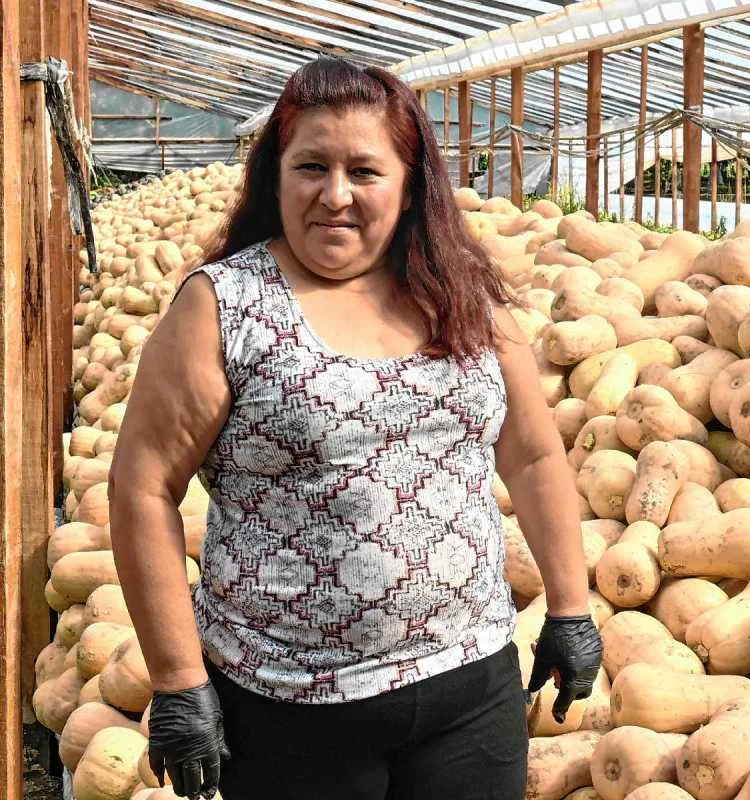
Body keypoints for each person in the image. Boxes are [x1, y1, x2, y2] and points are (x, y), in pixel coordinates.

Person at [108, 56, 602, 800]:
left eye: (364, 171)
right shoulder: (225, 306)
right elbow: (143, 486)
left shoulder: (460, 295)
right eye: (311, 166)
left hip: (469, 688)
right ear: (276, 177)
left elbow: (531, 457)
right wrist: (179, 679)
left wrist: (570, 607)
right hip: (289, 710)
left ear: (409, 187)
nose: (335, 195)